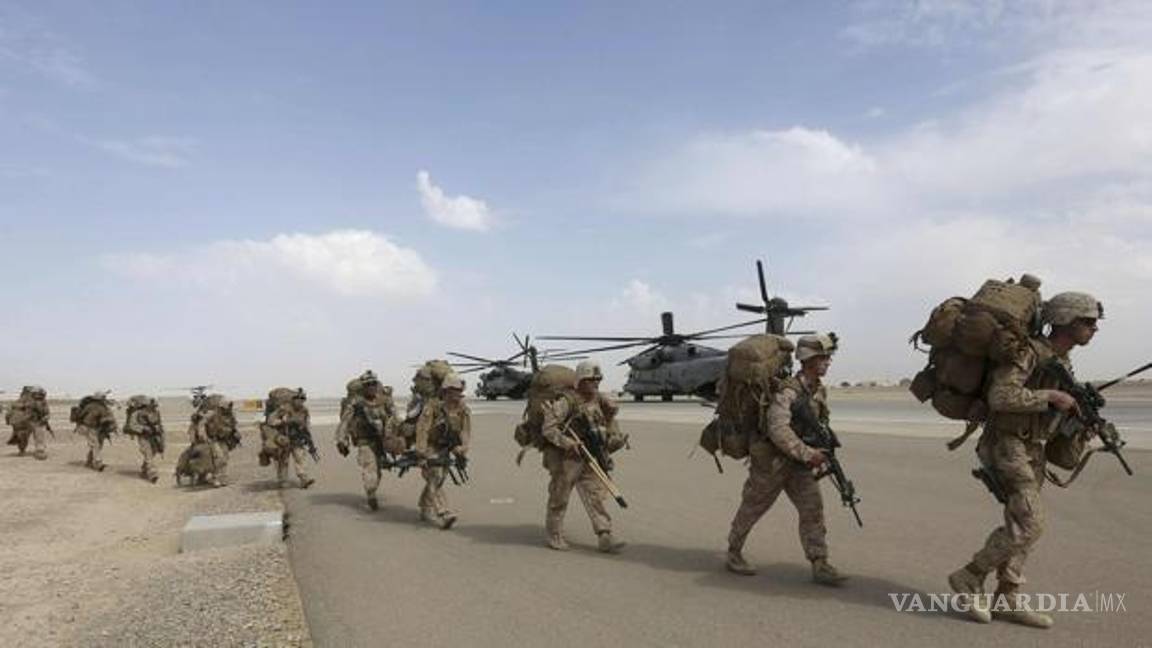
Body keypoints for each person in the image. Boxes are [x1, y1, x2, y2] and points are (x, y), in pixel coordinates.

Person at [948, 292, 1103, 629]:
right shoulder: (1028, 352)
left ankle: (1007, 598)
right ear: (1065, 320)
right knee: (1031, 523)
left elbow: (1052, 413)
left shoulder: (1062, 363)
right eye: (1088, 322)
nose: (1094, 329)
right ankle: (968, 576)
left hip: (1033, 448)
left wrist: (1078, 424)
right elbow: (1001, 396)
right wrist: (1051, 396)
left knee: (1022, 525)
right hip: (1006, 445)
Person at [725, 333, 848, 586]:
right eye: (823, 357)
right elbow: (777, 429)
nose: (827, 362)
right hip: (772, 461)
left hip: (799, 463)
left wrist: (822, 447)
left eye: (828, 357)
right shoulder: (789, 391)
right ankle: (734, 551)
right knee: (753, 507)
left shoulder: (818, 390)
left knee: (812, 509)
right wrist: (807, 453)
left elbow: (817, 424)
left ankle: (819, 563)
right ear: (808, 359)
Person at [539, 360, 628, 552]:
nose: (596, 383)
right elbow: (548, 429)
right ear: (580, 381)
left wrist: (616, 441)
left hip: (592, 456)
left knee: (595, 496)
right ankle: (554, 534)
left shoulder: (600, 401)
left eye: (598, 379)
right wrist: (567, 443)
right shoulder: (566, 402)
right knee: (560, 496)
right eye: (591, 380)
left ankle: (605, 535)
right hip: (568, 458)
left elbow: (607, 425)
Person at [414, 374, 471, 529]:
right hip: (430, 447)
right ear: (446, 391)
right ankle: (444, 512)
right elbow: (423, 429)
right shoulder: (433, 407)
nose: (459, 393)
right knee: (435, 476)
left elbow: (465, 430)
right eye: (456, 390)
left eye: (460, 390)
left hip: (448, 448)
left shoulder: (463, 409)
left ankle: (425, 507)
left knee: (438, 479)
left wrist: (463, 448)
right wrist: (421, 453)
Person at [335, 371, 398, 511]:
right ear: (363, 386)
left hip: (381, 441)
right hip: (365, 441)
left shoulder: (384, 400)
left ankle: (371, 491)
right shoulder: (356, 403)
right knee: (370, 468)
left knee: (378, 472)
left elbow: (394, 418)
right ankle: (371, 494)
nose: (371, 387)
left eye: (373, 384)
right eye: (368, 384)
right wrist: (341, 440)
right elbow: (345, 422)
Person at [264, 388, 317, 489]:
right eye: (298, 399)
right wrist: (285, 422)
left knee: (300, 459)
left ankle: (303, 479)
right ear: (293, 399)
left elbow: (306, 423)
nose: (300, 401)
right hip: (284, 438)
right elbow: (270, 421)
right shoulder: (284, 409)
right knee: (284, 460)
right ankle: (283, 480)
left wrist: (307, 437)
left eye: (302, 399)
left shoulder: (304, 410)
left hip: (298, 438)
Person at [123, 395, 165, 483]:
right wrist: (143, 429)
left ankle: (144, 470)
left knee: (153, 453)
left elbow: (159, 423)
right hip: (144, 436)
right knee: (148, 453)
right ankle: (152, 473)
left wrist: (159, 432)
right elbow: (132, 425)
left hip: (154, 436)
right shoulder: (136, 413)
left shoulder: (156, 412)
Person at [73, 392, 117, 472]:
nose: (105, 399)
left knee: (96, 445)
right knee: (96, 445)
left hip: (96, 428)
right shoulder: (95, 407)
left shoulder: (98, 406)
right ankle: (97, 463)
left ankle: (90, 461)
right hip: (89, 428)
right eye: (103, 397)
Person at [5, 386, 51, 460]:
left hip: (32, 422)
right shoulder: (21, 402)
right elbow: (47, 413)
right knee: (28, 437)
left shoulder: (20, 402)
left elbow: (9, 414)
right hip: (28, 423)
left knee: (34, 435)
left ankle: (34, 450)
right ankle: (35, 450)